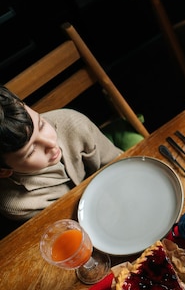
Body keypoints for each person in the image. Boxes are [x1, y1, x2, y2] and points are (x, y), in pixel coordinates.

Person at [0, 86, 122, 221]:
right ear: (3, 171)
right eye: (31, 151)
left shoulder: (73, 123)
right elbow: (65, 226)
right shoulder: (16, 205)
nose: (51, 143)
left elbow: (119, 163)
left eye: (41, 125)